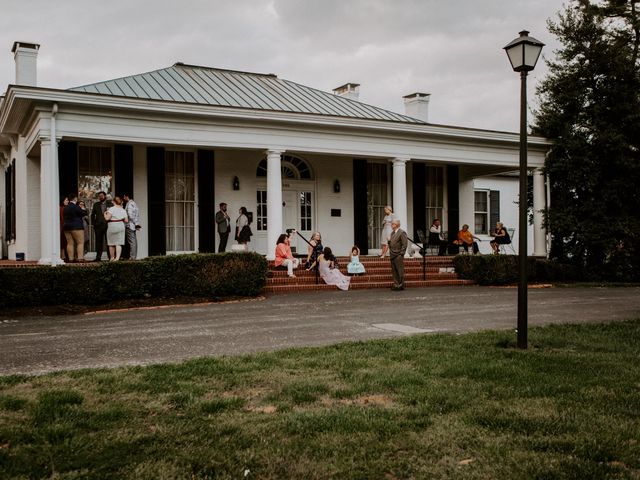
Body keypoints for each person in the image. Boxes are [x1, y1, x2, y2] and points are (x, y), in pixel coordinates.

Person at [62, 194, 86, 262]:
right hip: (77, 227)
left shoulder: (66, 207)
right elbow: (83, 213)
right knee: (80, 243)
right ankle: (80, 258)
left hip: (66, 227)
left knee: (70, 243)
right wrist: (83, 209)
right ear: (75, 199)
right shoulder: (76, 207)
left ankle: (71, 259)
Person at [104, 196, 128, 261]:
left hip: (112, 225)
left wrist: (105, 214)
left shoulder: (111, 209)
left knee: (111, 243)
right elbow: (126, 220)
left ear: (114, 202)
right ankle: (117, 258)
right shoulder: (123, 210)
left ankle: (112, 258)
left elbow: (107, 218)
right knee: (118, 243)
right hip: (120, 225)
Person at [90, 191, 113, 261]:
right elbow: (92, 215)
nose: (100, 197)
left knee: (109, 242)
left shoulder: (110, 204)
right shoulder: (96, 204)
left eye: (102, 196)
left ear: (105, 196)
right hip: (98, 226)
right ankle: (98, 257)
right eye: (99, 196)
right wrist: (94, 223)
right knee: (98, 242)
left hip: (108, 225)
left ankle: (110, 257)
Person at [389, 218, 408, 290]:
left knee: (399, 270)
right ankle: (396, 284)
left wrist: (401, 254)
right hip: (392, 254)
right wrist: (388, 241)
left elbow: (404, 244)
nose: (391, 225)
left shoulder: (402, 232)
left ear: (397, 225)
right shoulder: (392, 233)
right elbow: (391, 244)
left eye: (393, 224)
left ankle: (401, 285)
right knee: (394, 271)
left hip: (398, 255)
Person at [123, 193, 141, 260]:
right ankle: (133, 256)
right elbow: (137, 214)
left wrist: (135, 223)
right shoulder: (134, 203)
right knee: (134, 241)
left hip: (130, 225)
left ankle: (132, 257)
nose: (123, 198)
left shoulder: (129, 204)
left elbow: (130, 215)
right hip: (133, 225)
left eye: (124, 196)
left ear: (126, 196)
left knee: (131, 242)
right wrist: (136, 223)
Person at [59, 196, 69, 262]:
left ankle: (64, 255)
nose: (68, 201)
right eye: (66, 200)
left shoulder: (62, 208)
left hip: (63, 227)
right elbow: (62, 219)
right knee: (64, 242)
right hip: (63, 227)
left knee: (64, 242)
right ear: (63, 201)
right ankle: (63, 256)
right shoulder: (62, 208)